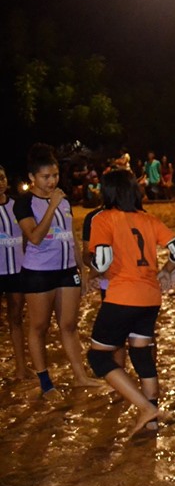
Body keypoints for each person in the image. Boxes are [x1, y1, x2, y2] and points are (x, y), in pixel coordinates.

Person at [85, 170, 175, 436]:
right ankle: (151, 420)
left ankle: (145, 408)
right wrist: (166, 270)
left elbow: (103, 259)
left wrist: (92, 272)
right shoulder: (148, 219)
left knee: (98, 357)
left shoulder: (103, 219)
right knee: (141, 354)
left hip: (121, 296)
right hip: (150, 297)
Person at [15, 143, 100, 394]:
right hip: (38, 273)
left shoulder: (64, 200)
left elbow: (70, 235)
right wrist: (51, 205)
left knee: (69, 325)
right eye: (45, 177)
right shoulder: (25, 203)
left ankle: (80, 376)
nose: (52, 181)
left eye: (55, 175)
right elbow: (34, 237)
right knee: (39, 326)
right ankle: (45, 382)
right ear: (32, 177)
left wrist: (81, 271)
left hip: (66, 270)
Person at [0, 164, 27, 380]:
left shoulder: (17, 206)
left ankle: (21, 367)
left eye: (1, 177)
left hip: (17, 271)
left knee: (16, 317)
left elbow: (28, 235)